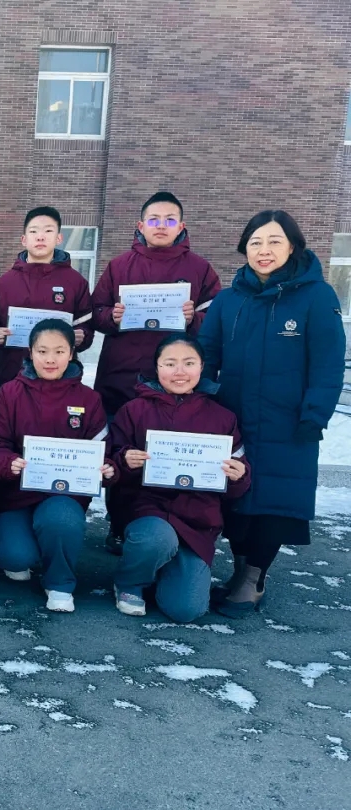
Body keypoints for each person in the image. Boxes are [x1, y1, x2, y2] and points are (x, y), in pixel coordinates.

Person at [198, 211, 345, 617]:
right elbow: (207, 355)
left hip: (289, 423)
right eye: (256, 242)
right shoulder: (229, 300)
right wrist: (202, 402)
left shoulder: (317, 296)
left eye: (275, 241)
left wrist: (314, 414)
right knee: (236, 499)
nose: (264, 250)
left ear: (293, 246)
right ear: (244, 248)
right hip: (234, 418)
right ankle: (239, 572)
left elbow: (328, 362)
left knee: (274, 502)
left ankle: (253, 580)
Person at [91, 191, 222, 553]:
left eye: (169, 220)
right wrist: (111, 317)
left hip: (178, 384)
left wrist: (194, 318)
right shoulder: (119, 266)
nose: (160, 226)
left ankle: (174, 528)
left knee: (168, 455)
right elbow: (95, 313)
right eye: (153, 219)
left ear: (181, 226)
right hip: (122, 380)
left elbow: (215, 320)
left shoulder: (200, 269)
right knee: (125, 455)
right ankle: (119, 524)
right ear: (140, 225)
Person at [108, 334, 250, 621]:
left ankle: (162, 570)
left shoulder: (223, 417)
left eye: (189, 363)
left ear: (202, 367)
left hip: (197, 521)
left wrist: (238, 476)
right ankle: (130, 582)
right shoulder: (134, 410)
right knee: (157, 539)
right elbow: (109, 466)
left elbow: (236, 485)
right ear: (157, 367)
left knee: (186, 610)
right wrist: (125, 460)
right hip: (147, 513)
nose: (179, 372)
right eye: (170, 363)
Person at [0, 320, 113, 612]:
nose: (50, 359)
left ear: (71, 354)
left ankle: (59, 582)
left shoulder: (88, 399)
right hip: (15, 495)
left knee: (61, 519)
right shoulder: (10, 393)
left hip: (63, 495)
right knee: (16, 556)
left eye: (59, 351)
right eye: (42, 351)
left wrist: (106, 467)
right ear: (30, 353)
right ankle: (26, 546)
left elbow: (102, 449)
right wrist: (7, 462)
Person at [0, 206, 94, 393]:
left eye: (48, 231)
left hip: (60, 381)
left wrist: (81, 336)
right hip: (11, 377)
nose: (40, 237)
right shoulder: (4, 283)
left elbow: (87, 325)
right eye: (34, 231)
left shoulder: (76, 282)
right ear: (24, 239)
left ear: (59, 238)